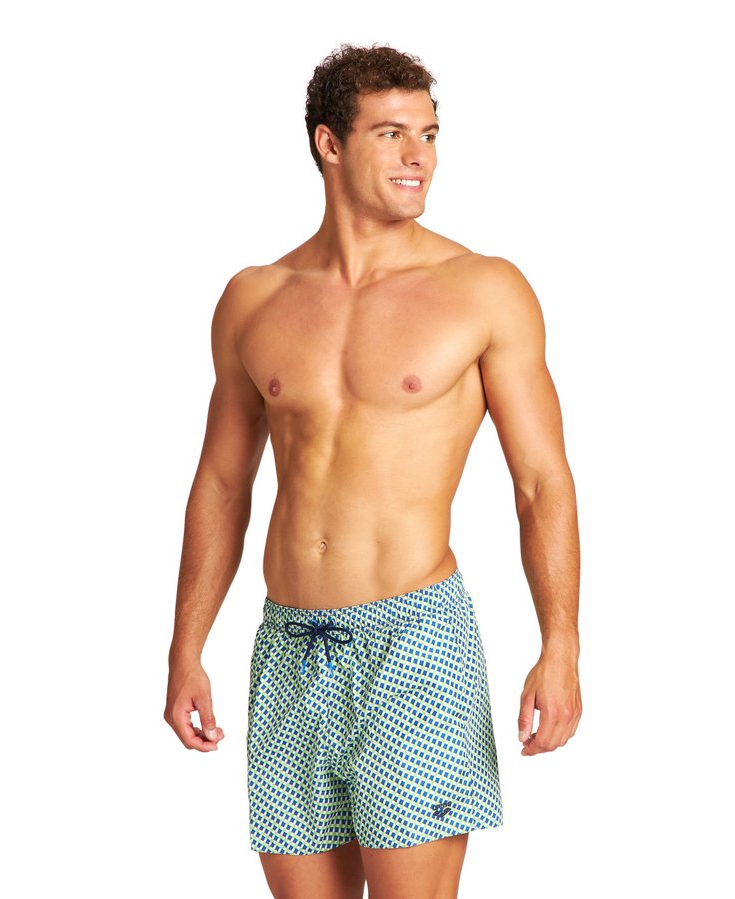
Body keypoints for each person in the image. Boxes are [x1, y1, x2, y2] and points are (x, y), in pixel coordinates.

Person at [164, 43, 582, 899]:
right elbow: (222, 483)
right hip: (288, 647)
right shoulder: (255, 297)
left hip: (415, 643)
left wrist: (561, 643)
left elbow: (541, 481)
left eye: (428, 134)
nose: (418, 155)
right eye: (391, 134)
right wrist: (186, 646)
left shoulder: (483, 290)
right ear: (329, 143)